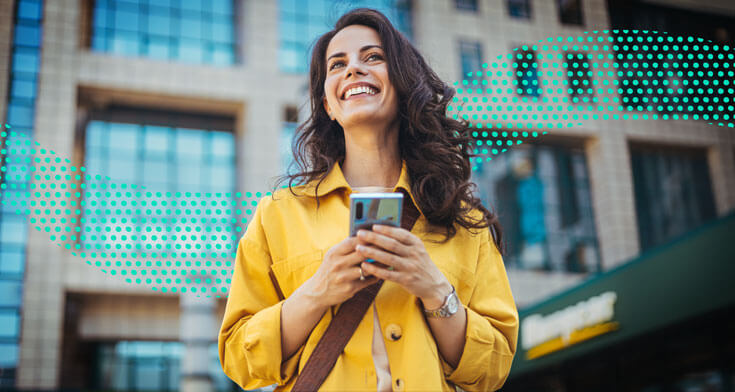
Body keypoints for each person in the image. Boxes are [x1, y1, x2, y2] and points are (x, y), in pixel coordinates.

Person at [218, 8, 518, 392]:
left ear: (404, 83)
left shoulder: (462, 222)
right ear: (327, 103)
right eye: (337, 64)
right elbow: (239, 360)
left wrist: (435, 291)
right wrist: (317, 291)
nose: (353, 70)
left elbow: (494, 368)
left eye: (373, 57)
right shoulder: (278, 214)